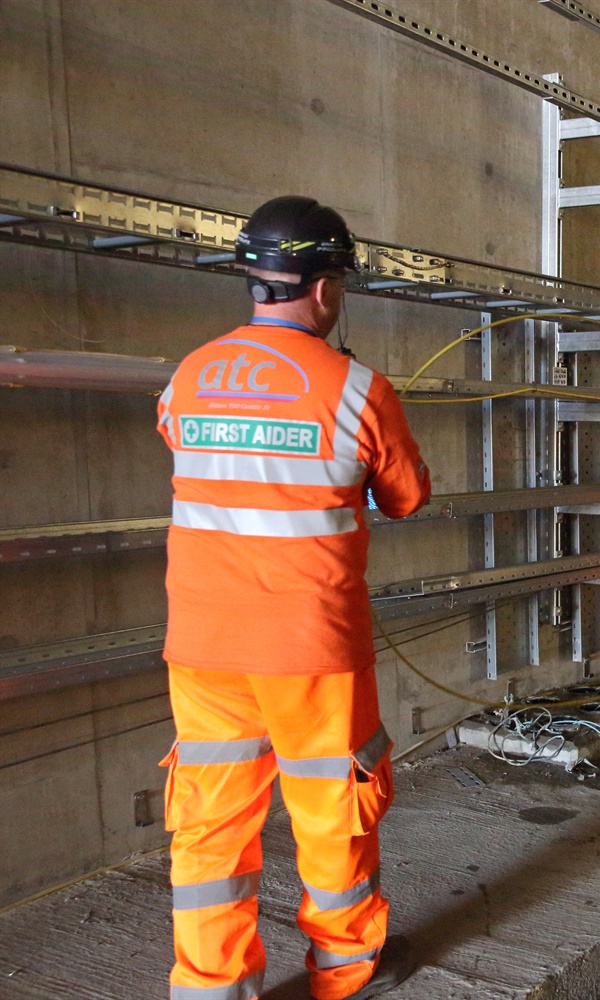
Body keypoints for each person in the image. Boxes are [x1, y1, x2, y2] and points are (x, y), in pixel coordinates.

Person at [155, 196, 430, 1000]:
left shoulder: (188, 376)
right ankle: (342, 974)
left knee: (210, 825)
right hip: (310, 648)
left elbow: (196, 455)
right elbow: (406, 496)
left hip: (203, 645)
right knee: (331, 811)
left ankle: (210, 990)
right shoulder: (356, 390)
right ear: (322, 287)